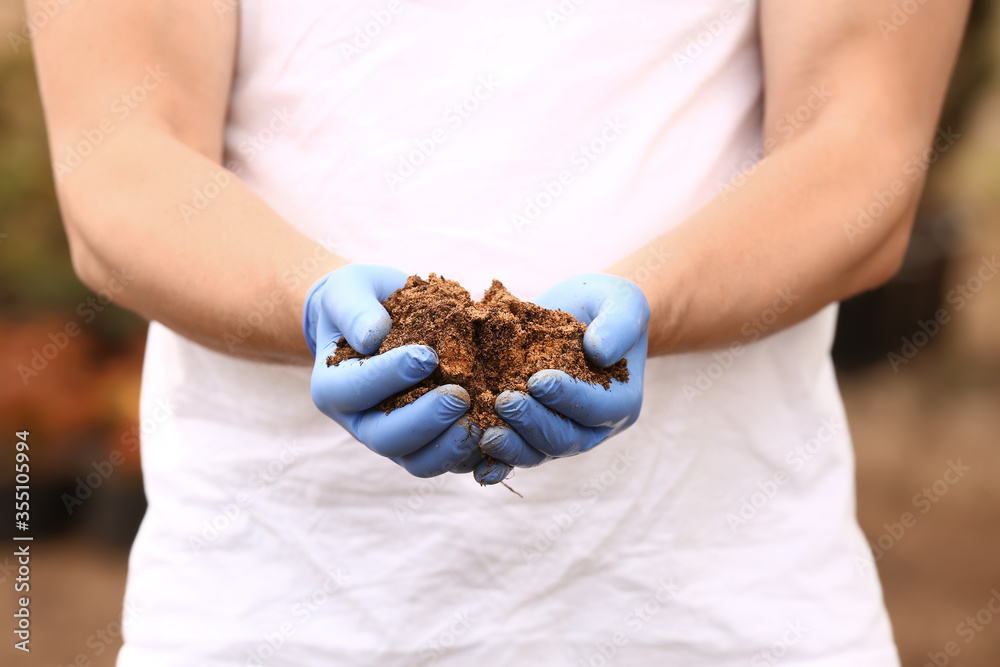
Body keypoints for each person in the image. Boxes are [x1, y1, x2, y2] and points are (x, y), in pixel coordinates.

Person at [31, 0, 969, 664]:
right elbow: (116, 155)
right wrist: (305, 298)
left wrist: (655, 302)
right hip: (274, 609)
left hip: (720, 614)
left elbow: (861, 148)